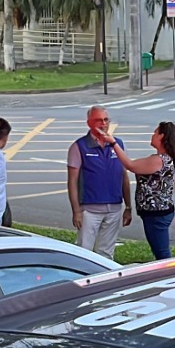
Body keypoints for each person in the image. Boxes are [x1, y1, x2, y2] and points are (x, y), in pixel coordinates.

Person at [111, 121, 175, 259]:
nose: (152, 135)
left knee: (162, 253)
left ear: (162, 136)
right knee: (160, 250)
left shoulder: (159, 160)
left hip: (157, 214)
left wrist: (113, 143)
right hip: (156, 213)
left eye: (155, 132)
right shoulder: (160, 159)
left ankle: (171, 276)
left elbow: (130, 165)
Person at [68, 106, 132, 259]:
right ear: (89, 123)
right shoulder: (79, 146)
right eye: (98, 120)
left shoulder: (117, 144)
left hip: (114, 208)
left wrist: (128, 206)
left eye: (106, 120)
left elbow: (124, 175)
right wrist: (76, 211)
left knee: (106, 253)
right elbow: (72, 181)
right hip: (89, 210)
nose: (103, 124)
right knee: (84, 252)